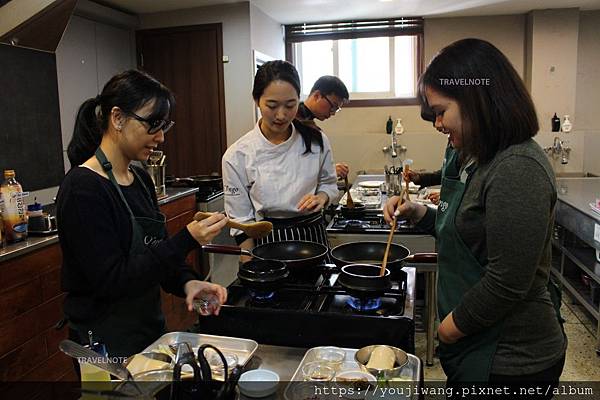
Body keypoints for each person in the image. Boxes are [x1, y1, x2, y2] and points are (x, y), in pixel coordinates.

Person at [384, 39, 566, 395]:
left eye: (441, 111)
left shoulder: (517, 168)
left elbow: (508, 280)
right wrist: (417, 211)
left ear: (476, 101)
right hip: (475, 345)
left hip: (511, 359)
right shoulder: (471, 154)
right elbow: (464, 226)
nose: (437, 123)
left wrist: (448, 330)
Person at [57, 70, 229, 358]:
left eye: (164, 126)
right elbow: (113, 280)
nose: (160, 137)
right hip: (103, 346)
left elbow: (157, 256)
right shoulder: (82, 189)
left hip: (148, 334)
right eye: (153, 125)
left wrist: (188, 282)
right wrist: (187, 238)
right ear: (118, 118)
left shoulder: (140, 179)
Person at [222, 61, 338, 257]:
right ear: (256, 100)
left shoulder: (316, 141)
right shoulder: (237, 155)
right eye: (272, 105)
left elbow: (329, 183)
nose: (282, 115)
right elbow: (241, 220)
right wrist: (248, 262)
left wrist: (322, 197)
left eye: (290, 105)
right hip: (267, 239)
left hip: (313, 237)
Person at [296, 75, 350, 179]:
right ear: (317, 96)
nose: (333, 113)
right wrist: (330, 171)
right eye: (333, 106)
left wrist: (329, 170)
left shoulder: (306, 120)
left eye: (336, 109)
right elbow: (295, 170)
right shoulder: (295, 121)